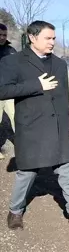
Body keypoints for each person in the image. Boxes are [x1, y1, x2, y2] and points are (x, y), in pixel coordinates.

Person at [0, 20, 69, 230]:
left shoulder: (58, 63)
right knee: (27, 172)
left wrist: (67, 124)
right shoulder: (14, 61)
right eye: (48, 38)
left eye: (53, 38)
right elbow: (2, 91)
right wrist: (37, 85)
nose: (52, 42)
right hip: (32, 127)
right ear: (32, 37)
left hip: (56, 127)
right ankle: (15, 211)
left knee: (67, 169)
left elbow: (63, 96)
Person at [0, 22, 17, 156]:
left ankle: (23, 145)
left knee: (17, 118)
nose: (2, 37)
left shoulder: (12, 51)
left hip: (10, 92)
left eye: (4, 35)